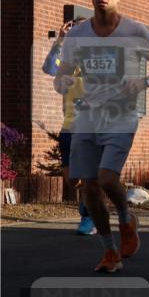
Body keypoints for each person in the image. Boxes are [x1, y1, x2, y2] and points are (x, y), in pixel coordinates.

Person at [54, 0, 149, 273]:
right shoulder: (77, 35)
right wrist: (63, 81)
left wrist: (141, 83)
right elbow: (63, 73)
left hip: (121, 114)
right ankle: (109, 252)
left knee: (106, 178)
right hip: (87, 116)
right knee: (88, 186)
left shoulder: (136, 32)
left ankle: (125, 217)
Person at [42, 16, 93, 235]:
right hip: (69, 127)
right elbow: (48, 67)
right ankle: (91, 208)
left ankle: (88, 218)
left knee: (89, 177)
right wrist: (60, 40)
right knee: (72, 179)